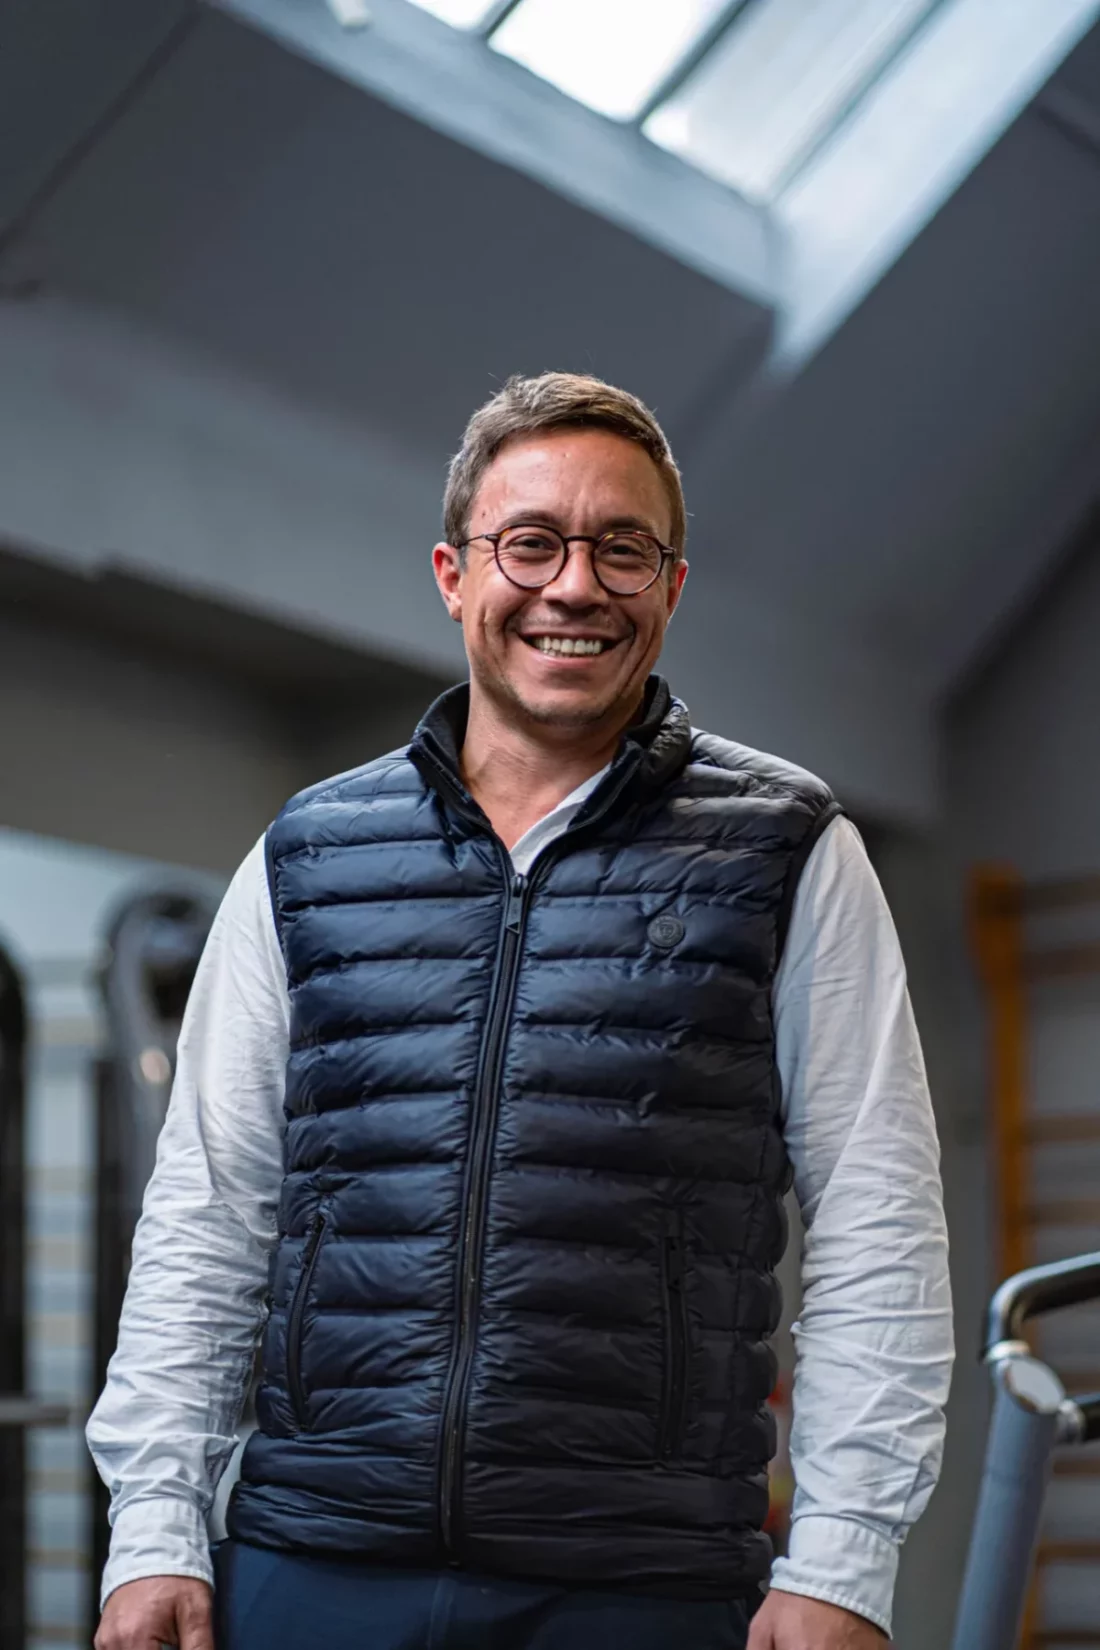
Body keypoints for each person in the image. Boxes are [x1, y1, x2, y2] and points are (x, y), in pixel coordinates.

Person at [89, 373, 953, 1650]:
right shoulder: (307, 852)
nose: (573, 585)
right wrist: (155, 1522)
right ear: (454, 574)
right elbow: (210, 1210)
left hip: (637, 1583)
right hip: (314, 1558)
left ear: (669, 586)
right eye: (531, 542)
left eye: (623, 549)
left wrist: (842, 1559)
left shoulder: (787, 851)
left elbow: (878, 1218)